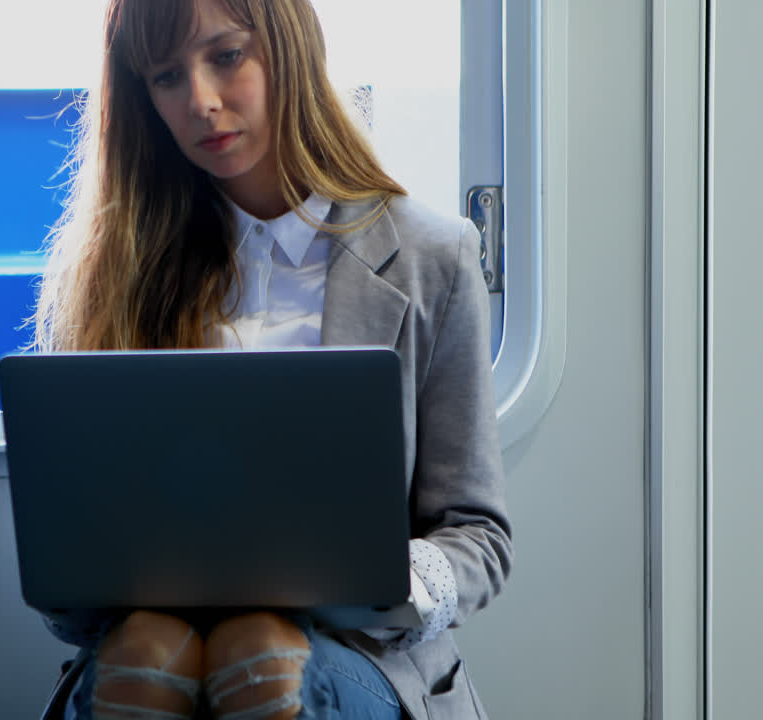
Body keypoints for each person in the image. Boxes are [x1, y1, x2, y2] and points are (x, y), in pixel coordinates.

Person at [30, 0, 513, 718]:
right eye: (166, 77)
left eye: (226, 56)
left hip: (358, 655)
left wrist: (374, 575)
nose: (201, 102)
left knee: (257, 653)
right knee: (144, 655)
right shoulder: (115, 272)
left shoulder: (431, 259)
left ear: (289, 49)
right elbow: (70, 604)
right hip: (154, 643)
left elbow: (478, 536)